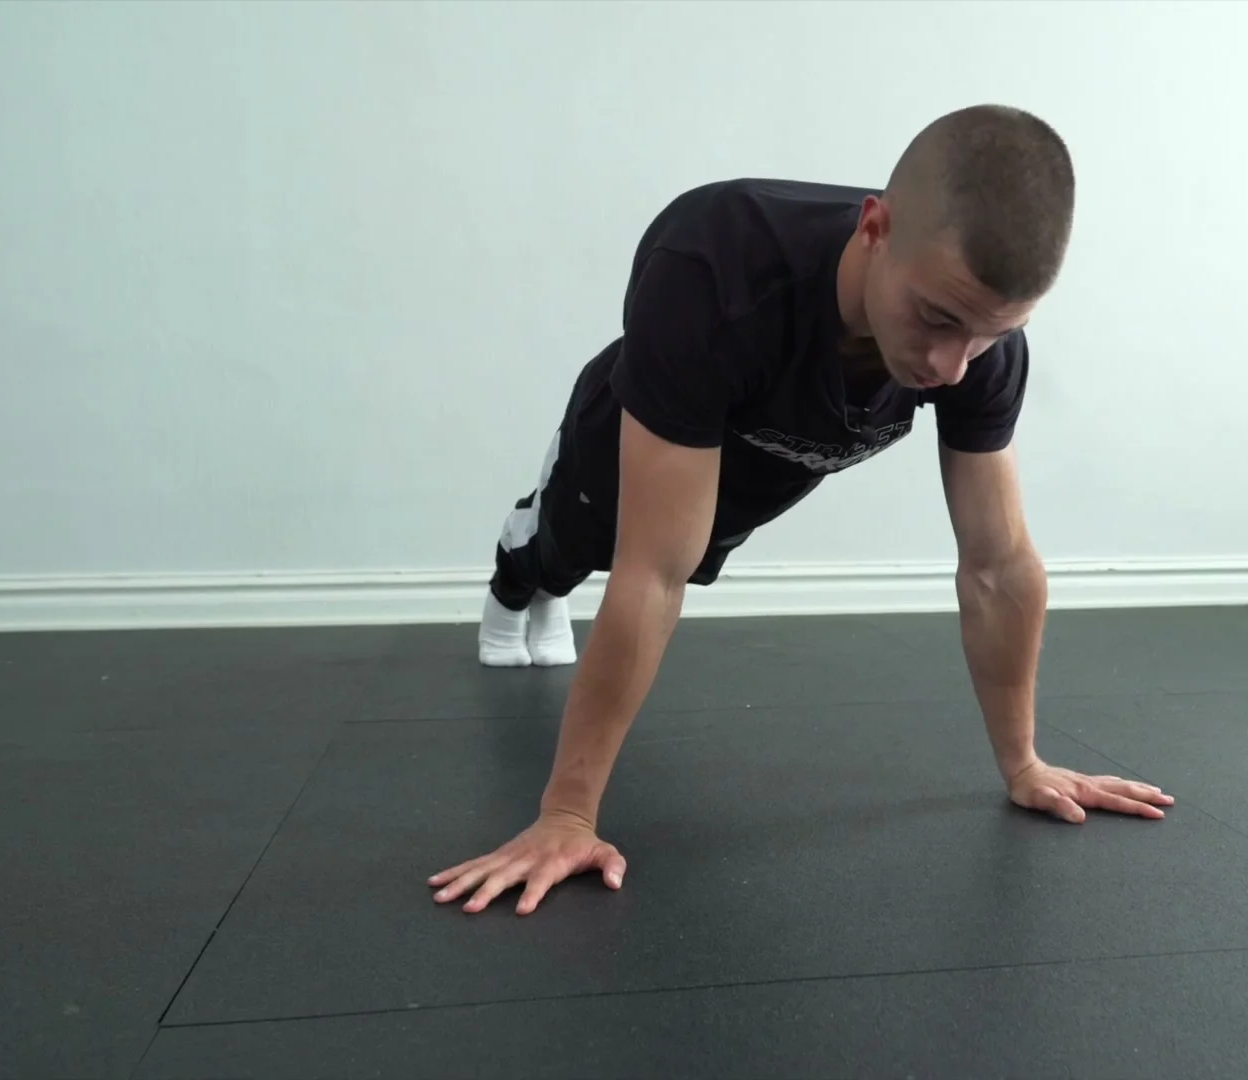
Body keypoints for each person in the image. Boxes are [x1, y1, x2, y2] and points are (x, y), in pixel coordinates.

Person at [429, 104, 1174, 916]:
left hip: (770, 463)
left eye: (992, 336)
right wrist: (566, 816)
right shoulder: (714, 264)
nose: (954, 368)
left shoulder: (977, 341)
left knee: (697, 544)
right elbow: (652, 574)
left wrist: (1024, 763)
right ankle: (516, 570)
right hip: (634, 435)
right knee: (574, 553)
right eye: (938, 321)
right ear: (875, 228)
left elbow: (997, 567)